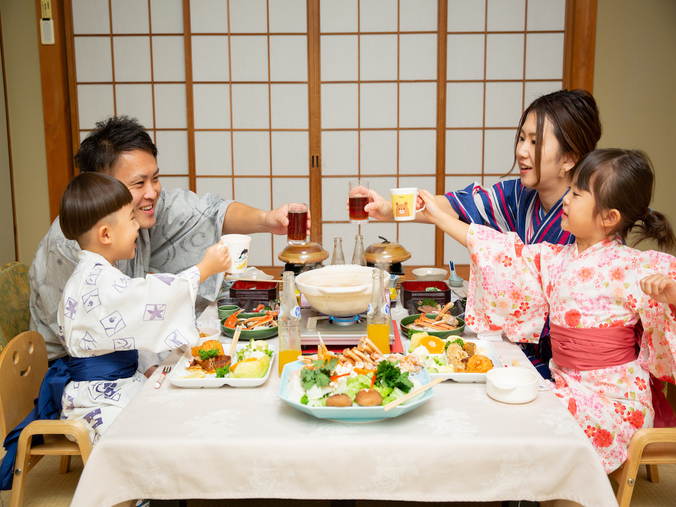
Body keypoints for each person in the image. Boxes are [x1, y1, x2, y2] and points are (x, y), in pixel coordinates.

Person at [419, 148, 676, 473]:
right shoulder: (555, 258)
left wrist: (672, 295)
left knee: (531, 427)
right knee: (505, 408)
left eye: (579, 194)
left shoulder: (637, 266)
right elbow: (501, 253)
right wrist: (439, 216)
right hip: (567, 385)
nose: (566, 199)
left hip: (614, 404)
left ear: (609, 217)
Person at [29, 116, 308, 372]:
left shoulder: (139, 211)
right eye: (138, 183)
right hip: (79, 373)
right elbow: (99, 336)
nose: (152, 192)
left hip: (127, 351)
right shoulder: (69, 245)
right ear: (100, 187)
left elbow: (209, 212)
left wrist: (267, 220)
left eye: (156, 178)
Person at [356, 89, 602, 377]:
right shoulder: (519, 196)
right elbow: (454, 206)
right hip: (515, 354)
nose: (522, 150)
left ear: (569, 159)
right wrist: (389, 209)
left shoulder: (589, 225)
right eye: (522, 138)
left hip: (567, 371)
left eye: (535, 142)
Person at [57, 172, 231, 444]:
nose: (138, 226)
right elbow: (152, 297)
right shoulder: (100, 280)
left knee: (176, 406)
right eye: (130, 219)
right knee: (163, 432)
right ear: (105, 234)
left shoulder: (88, 274)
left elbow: (133, 316)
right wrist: (204, 269)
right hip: (100, 400)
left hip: (107, 387)